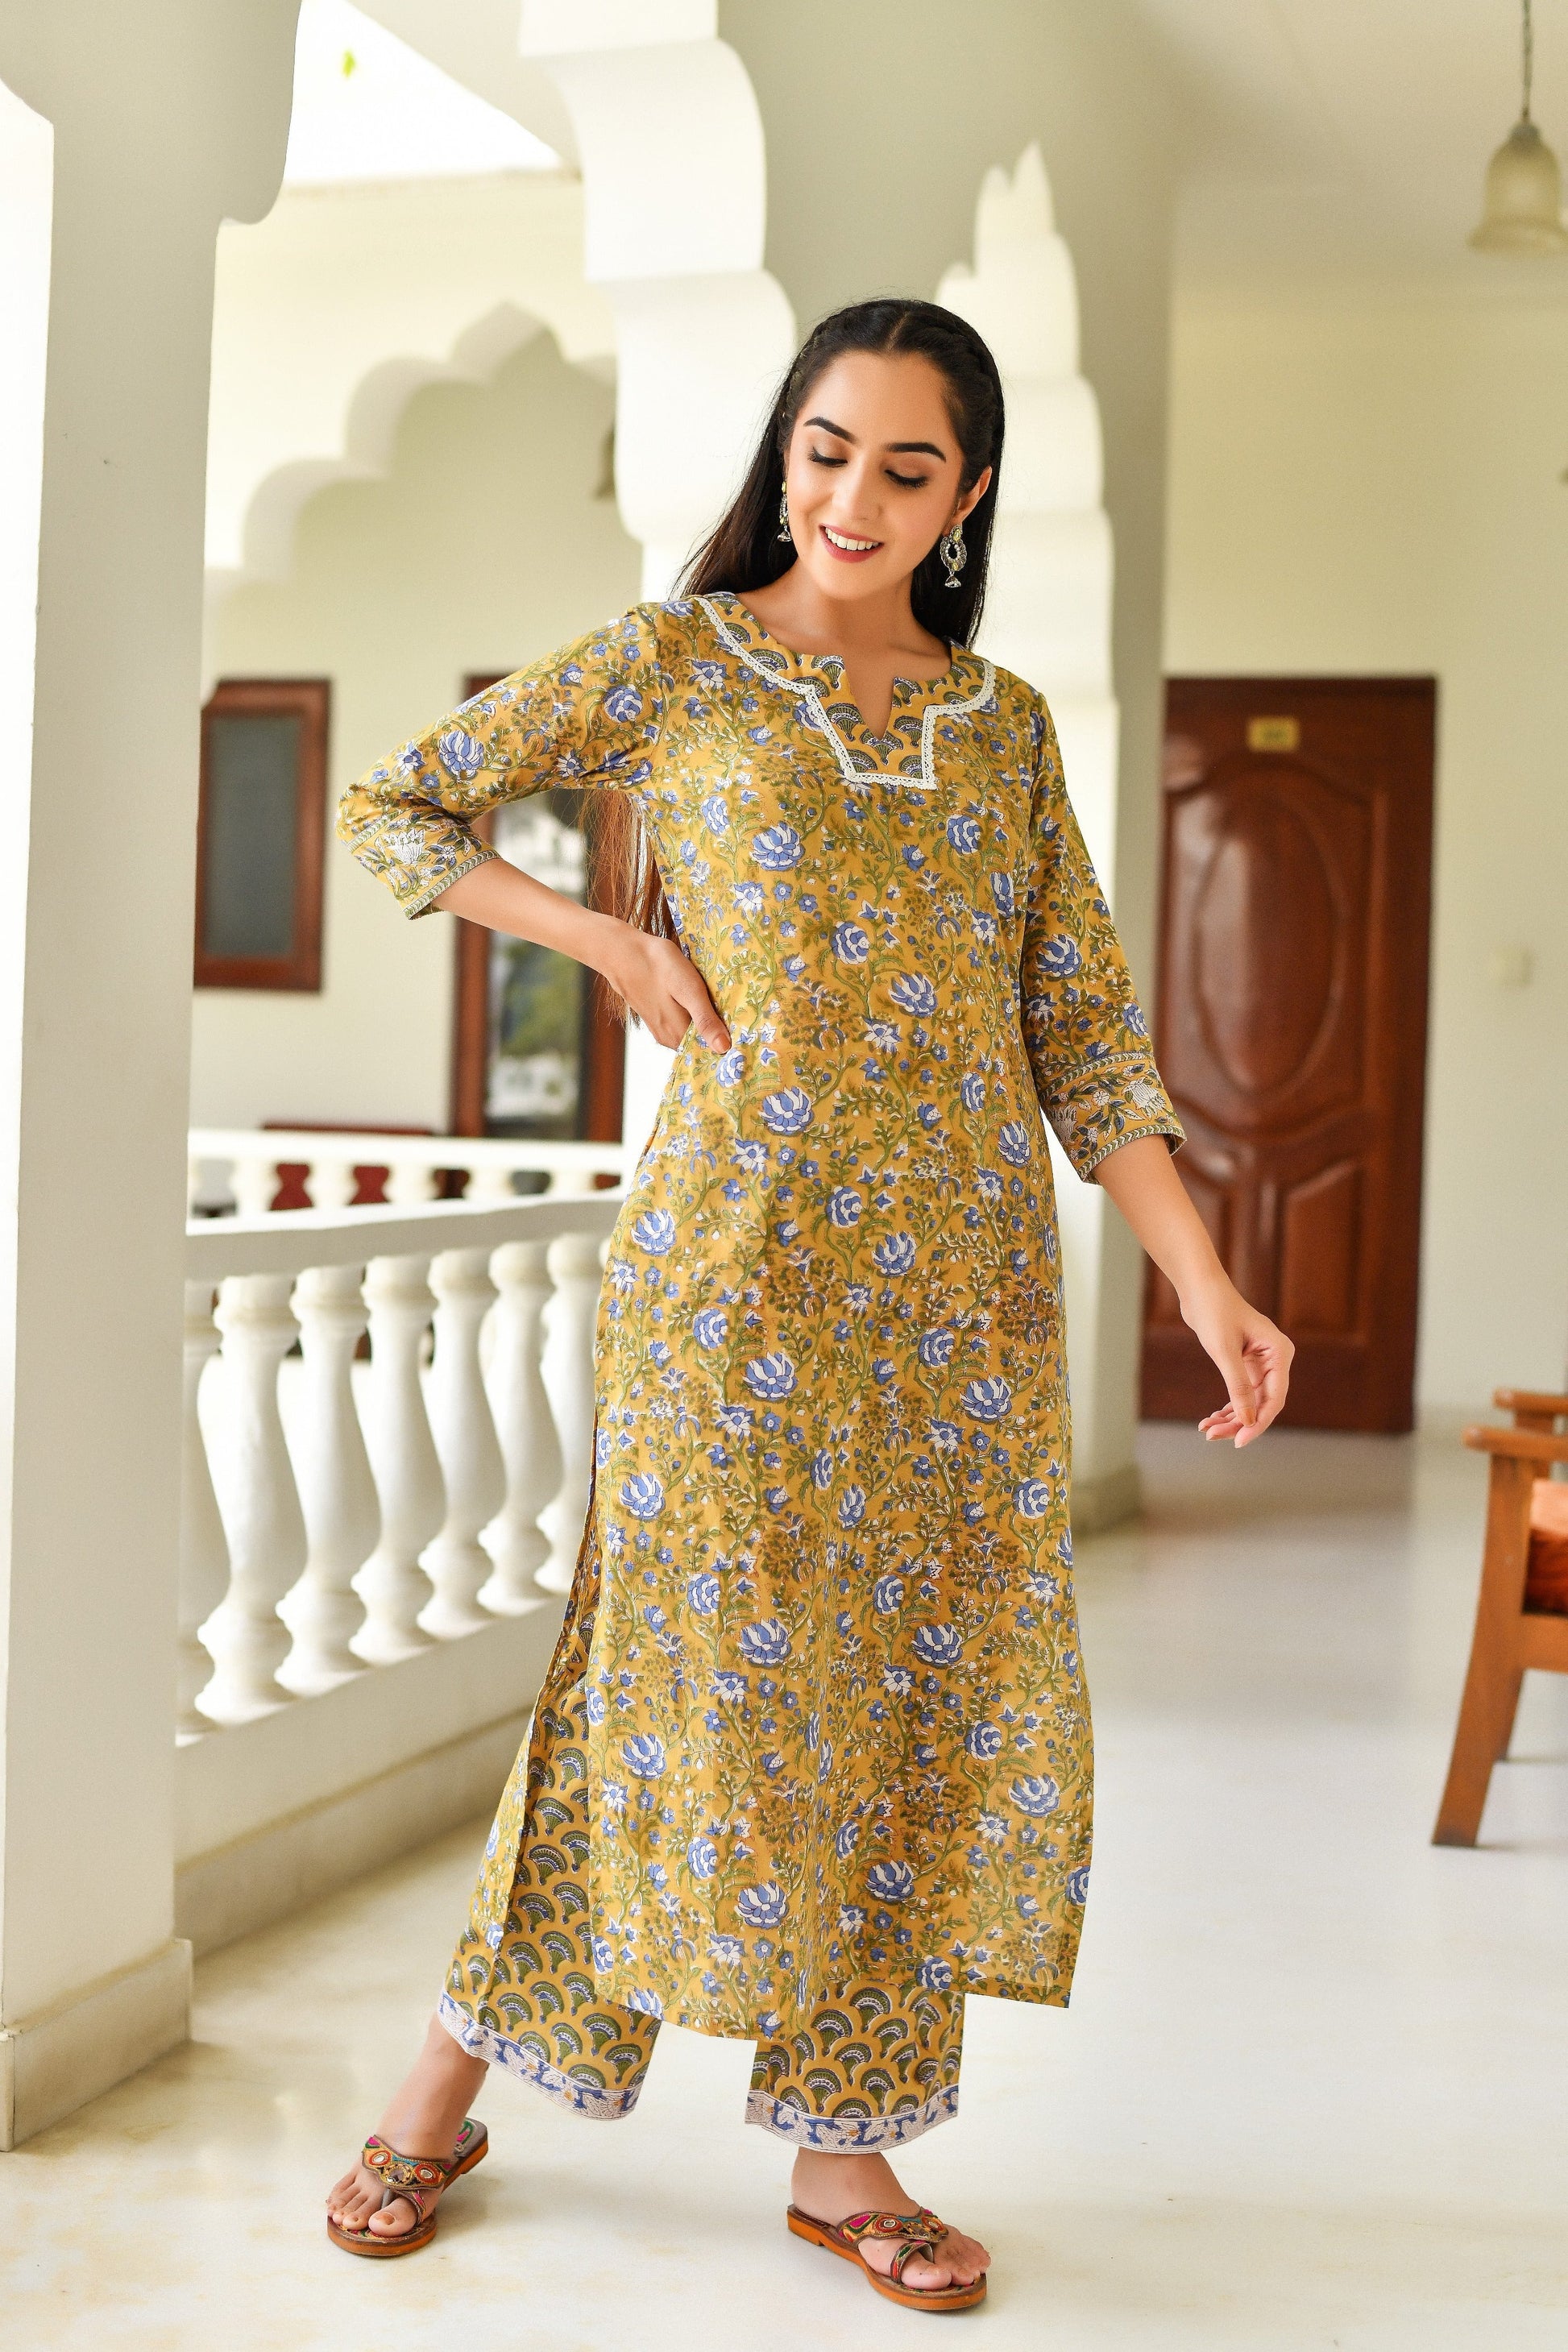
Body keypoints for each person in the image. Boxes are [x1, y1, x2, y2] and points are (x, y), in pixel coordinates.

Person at [327, 297, 1292, 2311]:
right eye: (826, 450)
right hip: (729, 1285)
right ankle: (443, 2084)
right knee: (648, 1680)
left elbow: (1082, 1034)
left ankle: (844, 2150)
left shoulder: (1002, 727)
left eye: (905, 468)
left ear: (968, 494)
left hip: (961, 1309)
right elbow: (395, 805)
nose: (853, 497)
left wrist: (1205, 1278)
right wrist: (603, 937)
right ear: (787, 450)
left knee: (906, 1700)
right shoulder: (674, 662)